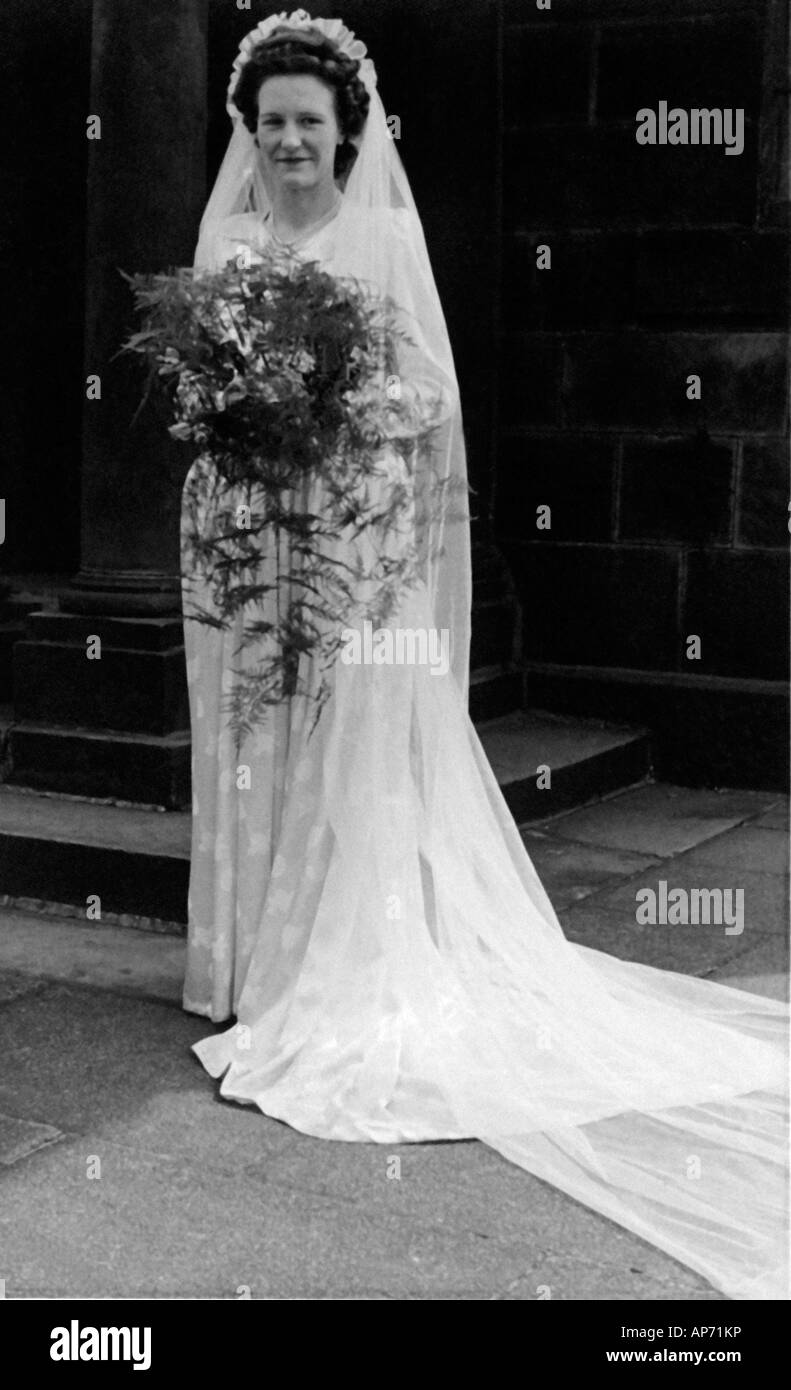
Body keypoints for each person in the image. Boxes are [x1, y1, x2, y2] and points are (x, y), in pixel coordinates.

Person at [180, 11, 788, 1301]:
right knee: (254, 737)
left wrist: (331, 412)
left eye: (309, 120)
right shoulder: (228, 238)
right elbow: (199, 392)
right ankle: (245, 968)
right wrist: (233, 413)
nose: (290, 141)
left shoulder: (376, 232)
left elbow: (426, 399)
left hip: (356, 540)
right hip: (253, 535)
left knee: (349, 755)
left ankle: (326, 970)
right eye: (270, 120)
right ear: (251, 129)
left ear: (349, 127)